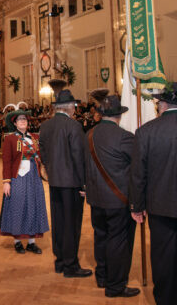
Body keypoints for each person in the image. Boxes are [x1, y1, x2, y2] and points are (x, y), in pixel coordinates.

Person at [84, 93, 139, 298]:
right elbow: (137, 166)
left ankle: (103, 277)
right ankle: (115, 286)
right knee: (118, 241)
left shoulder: (88, 134)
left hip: (96, 198)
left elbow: (85, 165)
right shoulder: (125, 137)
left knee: (101, 236)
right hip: (118, 200)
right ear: (119, 116)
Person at [130, 83, 177, 305]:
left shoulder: (146, 131)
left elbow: (138, 175)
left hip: (160, 206)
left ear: (162, 104)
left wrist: (137, 206)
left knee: (163, 257)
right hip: (162, 205)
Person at [39, 89, 92, 277]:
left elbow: (42, 152)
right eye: (74, 107)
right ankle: (71, 265)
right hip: (72, 184)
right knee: (72, 224)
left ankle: (60, 261)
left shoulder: (45, 126)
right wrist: (85, 184)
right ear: (70, 108)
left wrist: (50, 169)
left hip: (55, 182)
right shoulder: (74, 126)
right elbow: (79, 157)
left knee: (59, 222)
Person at [0, 107, 49, 254]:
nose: (23, 121)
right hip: (17, 177)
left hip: (33, 176)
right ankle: (17, 241)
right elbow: (6, 161)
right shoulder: (10, 139)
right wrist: (6, 181)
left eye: (25, 119)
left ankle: (32, 242)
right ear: (15, 123)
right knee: (18, 207)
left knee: (33, 206)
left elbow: (42, 155)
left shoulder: (35, 138)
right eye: (20, 119)